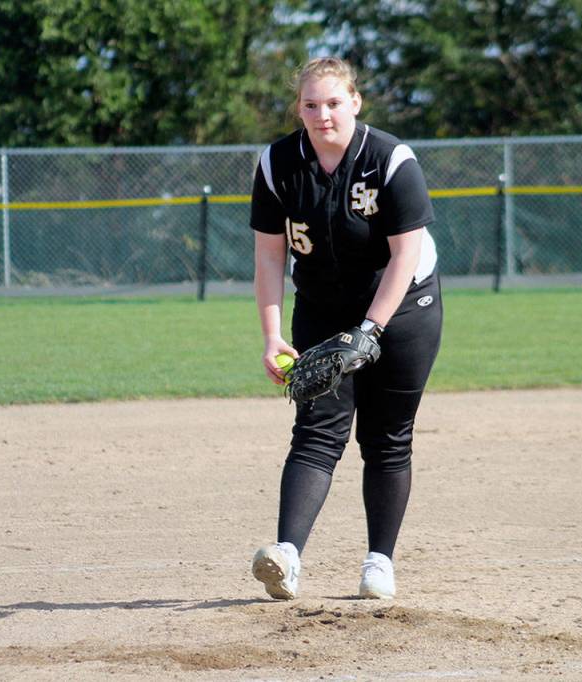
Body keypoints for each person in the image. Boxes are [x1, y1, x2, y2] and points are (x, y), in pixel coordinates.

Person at [249, 57, 442, 600]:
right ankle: (286, 557)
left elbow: (406, 255)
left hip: (404, 309)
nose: (322, 114)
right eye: (311, 105)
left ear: (355, 102)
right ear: (299, 110)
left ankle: (379, 562)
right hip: (324, 307)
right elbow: (268, 258)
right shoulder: (278, 163)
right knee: (315, 430)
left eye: (333, 102)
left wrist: (370, 331)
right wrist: (271, 335)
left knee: (386, 437)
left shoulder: (390, 159)